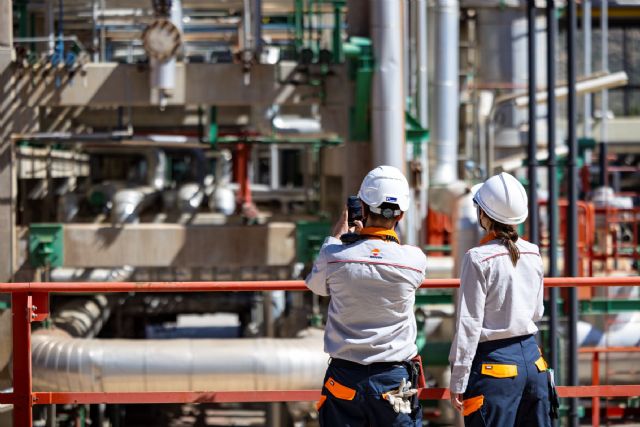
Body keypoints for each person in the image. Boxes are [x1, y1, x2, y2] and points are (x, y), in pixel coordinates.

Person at [306, 165, 427, 426]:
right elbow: (384, 253)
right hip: (394, 381)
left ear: (361, 206)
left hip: (345, 378)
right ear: (401, 214)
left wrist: (341, 235)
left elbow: (316, 286)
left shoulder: (334, 256)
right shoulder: (414, 260)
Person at [448, 172, 551, 426]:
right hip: (534, 363)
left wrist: (458, 380)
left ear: (483, 214)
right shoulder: (533, 253)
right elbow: (537, 312)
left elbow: (469, 324)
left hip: (495, 368)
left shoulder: (477, 258)